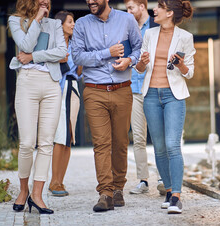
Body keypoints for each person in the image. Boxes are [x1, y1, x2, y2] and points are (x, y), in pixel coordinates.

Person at [71, 0, 142, 212]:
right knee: (101, 144)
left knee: (120, 142)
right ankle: (105, 193)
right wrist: (107, 52)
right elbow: (77, 56)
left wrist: (129, 60)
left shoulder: (127, 20)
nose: (91, 1)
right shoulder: (82, 24)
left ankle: (118, 188)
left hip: (122, 90)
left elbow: (138, 48)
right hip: (94, 91)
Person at [135, 0, 195, 214]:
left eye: (159, 6)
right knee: (159, 147)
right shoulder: (149, 34)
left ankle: (177, 197)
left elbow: (190, 72)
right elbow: (141, 69)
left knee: (172, 145)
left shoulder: (185, 38)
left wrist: (180, 64)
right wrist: (141, 62)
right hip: (151, 95)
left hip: (173, 96)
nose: (155, 9)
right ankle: (169, 191)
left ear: (169, 13)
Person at [9, 0, 67, 214]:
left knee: (46, 144)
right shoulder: (16, 21)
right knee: (26, 143)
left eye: (48, 1)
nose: (46, 2)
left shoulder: (55, 24)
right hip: (27, 83)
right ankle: (23, 190)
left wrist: (34, 56)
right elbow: (24, 45)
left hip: (52, 85)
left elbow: (61, 52)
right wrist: (37, 20)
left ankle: (37, 195)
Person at [124, 0, 166, 196]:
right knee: (139, 138)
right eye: (127, 8)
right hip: (133, 89)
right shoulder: (127, 29)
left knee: (159, 137)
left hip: (153, 87)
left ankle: (162, 178)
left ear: (142, 6)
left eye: (131, 7)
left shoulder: (158, 25)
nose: (128, 11)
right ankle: (143, 180)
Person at [49, 10, 82, 197]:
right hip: (58, 90)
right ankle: (54, 181)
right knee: (60, 135)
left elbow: (78, 71)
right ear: (60, 24)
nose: (73, 24)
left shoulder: (75, 44)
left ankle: (60, 181)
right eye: (70, 21)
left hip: (73, 88)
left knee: (68, 136)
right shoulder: (53, 44)